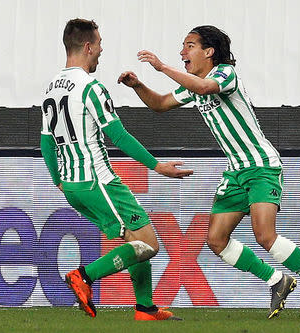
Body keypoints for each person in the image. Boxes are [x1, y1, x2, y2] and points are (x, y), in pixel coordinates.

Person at [118, 25, 300, 321]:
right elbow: (159, 104)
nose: (183, 52)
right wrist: (137, 85)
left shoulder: (224, 74)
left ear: (208, 52)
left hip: (261, 166)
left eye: (189, 46)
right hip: (236, 171)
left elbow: (205, 88)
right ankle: (277, 281)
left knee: (264, 235)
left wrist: (161, 67)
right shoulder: (192, 85)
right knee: (216, 240)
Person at [41, 18, 192, 320]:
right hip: (99, 181)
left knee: (134, 240)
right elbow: (119, 136)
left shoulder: (52, 88)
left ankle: (145, 308)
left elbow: (46, 142)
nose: (100, 52)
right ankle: (84, 276)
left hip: (73, 187)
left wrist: (58, 179)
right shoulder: (90, 87)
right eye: (98, 46)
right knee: (148, 244)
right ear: (87, 47)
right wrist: (157, 166)